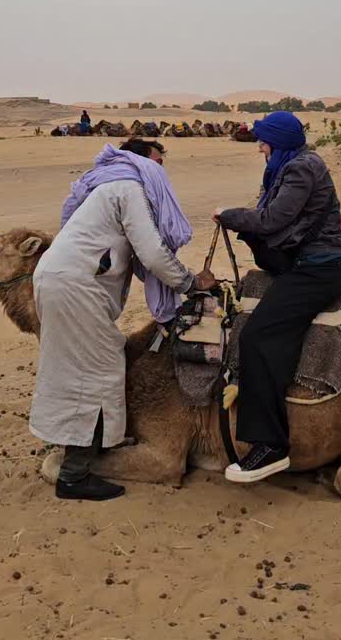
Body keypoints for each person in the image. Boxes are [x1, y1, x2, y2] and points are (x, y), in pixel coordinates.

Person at [30, 141, 213, 502]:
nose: (161, 170)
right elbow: (153, 253)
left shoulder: (107, 188)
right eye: (158, 162)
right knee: (98, 370)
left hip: (62, 281)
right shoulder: (128, 188)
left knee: (74, 368)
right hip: (77, 287)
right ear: (141, 160)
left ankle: (81, 449)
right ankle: (75, 474)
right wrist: (192, 282)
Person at [214, 111, 341, 484]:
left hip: (318, 269)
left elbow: (272, 220)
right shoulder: (291, 166)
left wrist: (229, 216)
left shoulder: (301, 169)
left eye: (264, 140)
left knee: (259, 336)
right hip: (304, 263)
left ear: (278, 142)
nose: (260, 146)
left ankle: (270, 445)